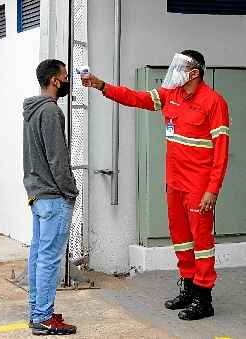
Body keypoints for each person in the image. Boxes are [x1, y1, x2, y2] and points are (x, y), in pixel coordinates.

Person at [82, 50, 229, 321]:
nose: (175, 70)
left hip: (199, 186)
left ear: (194, 72)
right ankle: (188, 288)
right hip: (174, 183)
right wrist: (102, 85)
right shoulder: (169, 94)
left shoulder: (214, 102)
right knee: (182, 239)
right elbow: (136, 98)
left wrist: (212, 189)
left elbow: (221, 151)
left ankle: (204, 298)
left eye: (181, 66)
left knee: (202, 242)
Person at [23, 60, 78, 335]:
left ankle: (37, 311)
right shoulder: (51, 112)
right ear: (55, 81)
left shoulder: (32, 111)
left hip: (37, 193)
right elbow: (59, 159)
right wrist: (71, 192)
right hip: (53, 195)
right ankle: (43, 316)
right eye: (65, 76)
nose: (68, 80)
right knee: (49, 258)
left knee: (38, 255)